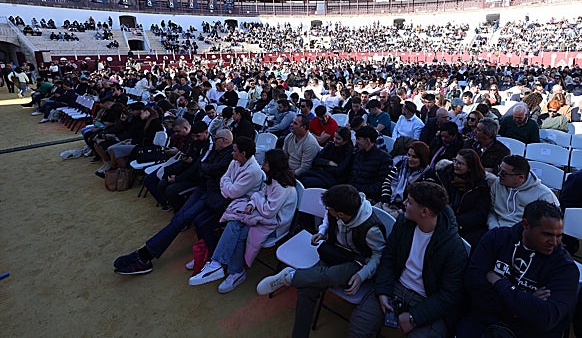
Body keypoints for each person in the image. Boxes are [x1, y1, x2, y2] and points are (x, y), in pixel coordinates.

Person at [255, 184, 387, 338]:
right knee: (307, 291)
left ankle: (292, 277)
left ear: (341, 214)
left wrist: (363, 274)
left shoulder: (371, 228)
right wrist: (322, 232)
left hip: (357, 263)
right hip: (334, 253)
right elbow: (327, 221)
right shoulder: (336, 211)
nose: (327, 211)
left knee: (330, 276)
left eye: (330, 209)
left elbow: (379, 255)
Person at [347, 181, 468, 337]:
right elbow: (388, 258)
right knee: (359, 326)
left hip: (426, 300)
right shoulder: (403, 223)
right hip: (395, 286)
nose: (403, 203)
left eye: (409, 202)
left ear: (424, 212)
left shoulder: (453, 247)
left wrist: (415, 317)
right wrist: (383, 290)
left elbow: (449, 294)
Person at [112, 129, 235, 275]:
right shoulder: (215, 150)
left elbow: (210, 168)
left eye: (216, 138)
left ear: (225, 141)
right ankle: (146, 253)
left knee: (181, 220)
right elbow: (202, 166)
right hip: (202, 189)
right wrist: (206, 169)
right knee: (178, 219)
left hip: (211, 195)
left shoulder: (229, 157)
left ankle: (145, 255)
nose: (214, 140)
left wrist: (205, 169)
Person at [457, 200, 579, 338]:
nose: (554, 242)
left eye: (559, 235)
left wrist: (499, 283)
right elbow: (473, 284)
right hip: (484, 322)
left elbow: (546, 317)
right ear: (526, 225)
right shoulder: (496, 239)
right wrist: (523, 305)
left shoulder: (565, 268)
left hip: (529, 332)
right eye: (547, 235)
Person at [188, 149, 297, 293]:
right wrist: (252, 203)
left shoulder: (283, 187)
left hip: (275, 225)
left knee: (238, 231)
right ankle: (222, 266)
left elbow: (269, 211)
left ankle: (232, 269)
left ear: (274, 165)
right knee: (234, 222)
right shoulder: (273, 179)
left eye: (265, 162)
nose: (262, 164)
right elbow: (261, 194)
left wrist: (256, 200)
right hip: (263, 216)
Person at [433, 149, 494, 246]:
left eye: (460, 163)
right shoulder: (443, 175)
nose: (455, 165)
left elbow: (480, 214)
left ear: (470, 168)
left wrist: (455, 221)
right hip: (439, 219)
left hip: (464, 226)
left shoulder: (480, 186)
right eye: (455, 161)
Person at [488, 155, 559, 230]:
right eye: (499, 169)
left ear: (520, 178)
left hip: (524, 235)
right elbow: (491, 212)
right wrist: (494, 229)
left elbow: (545, 226)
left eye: (503, 173)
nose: (499, 174)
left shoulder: (544, 195)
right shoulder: (497, 183)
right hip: (496, 230)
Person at [339, 125, 393, 202]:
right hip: (349, 192)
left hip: (366, 197)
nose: (356, 142)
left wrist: (359, 191)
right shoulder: (356, 154)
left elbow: (381, 184)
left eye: (358, 139)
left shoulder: (384, 159)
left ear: (367, 140)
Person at [380, 141, 432, 213]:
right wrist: (385, 202)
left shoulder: (427, 174)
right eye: (409, 155)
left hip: (407, 210)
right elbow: (387, 182)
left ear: (422, 158)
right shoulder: (400, 164)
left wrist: (400, 211)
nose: (410, 159)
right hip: (389, 201)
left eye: (414, 157)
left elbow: (420, 199)